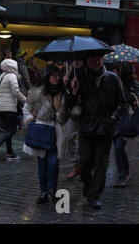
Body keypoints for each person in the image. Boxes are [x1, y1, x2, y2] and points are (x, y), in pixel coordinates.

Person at [66, 55, 127, 209]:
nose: (96, 61)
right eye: (92, 59)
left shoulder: (112, 78)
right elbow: (70, 104)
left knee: (101, 163)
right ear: (87, 61)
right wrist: (72, 90)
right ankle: (88, 186)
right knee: (85, 161)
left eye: (98, 58)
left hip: (105, 127)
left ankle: (95, 195)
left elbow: (122, 102)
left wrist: (114, 117)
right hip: (86, 127)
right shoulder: (81, 78)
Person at [22, 64, 67, 204]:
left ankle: (52, 190)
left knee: (54, 163)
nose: (56, 78)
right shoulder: (36, 93)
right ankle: (43, 192)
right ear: (47, 76)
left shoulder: (63, 92)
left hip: (56, 131)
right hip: (41, 131)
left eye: (58, 75)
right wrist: (30, 120)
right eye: (53, 75)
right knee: (42, 164)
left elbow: (67, 112)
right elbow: (26, 109)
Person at [0, 58, 27, 159]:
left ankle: (10, 153)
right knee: (12, 129)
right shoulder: (12, 76)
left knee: (8, 130)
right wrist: (25, 100)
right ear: (13, 66)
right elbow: (15, 92)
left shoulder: (3, 75)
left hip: (1, 107)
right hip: (9, 107)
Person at [109, 62, 138, 187]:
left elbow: (131, 98)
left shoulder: (133, 85)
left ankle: (124, 174)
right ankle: (123, 173)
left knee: (119, 146)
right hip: (116, 119)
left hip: (127, 120)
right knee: (117, 147)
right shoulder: (112, 82)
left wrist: (121, 87)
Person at [62, 60, 85, 180]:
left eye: (78, 60)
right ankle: (76, 165)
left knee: (84, 141)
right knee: (69, 138)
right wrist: (65, 84)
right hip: (73, 112)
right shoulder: (69, 75)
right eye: (72, 61)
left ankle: (85, 166)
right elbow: (67, 98)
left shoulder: (87, 74)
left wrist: (77, 90)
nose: (75, 63)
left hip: (86, 113)